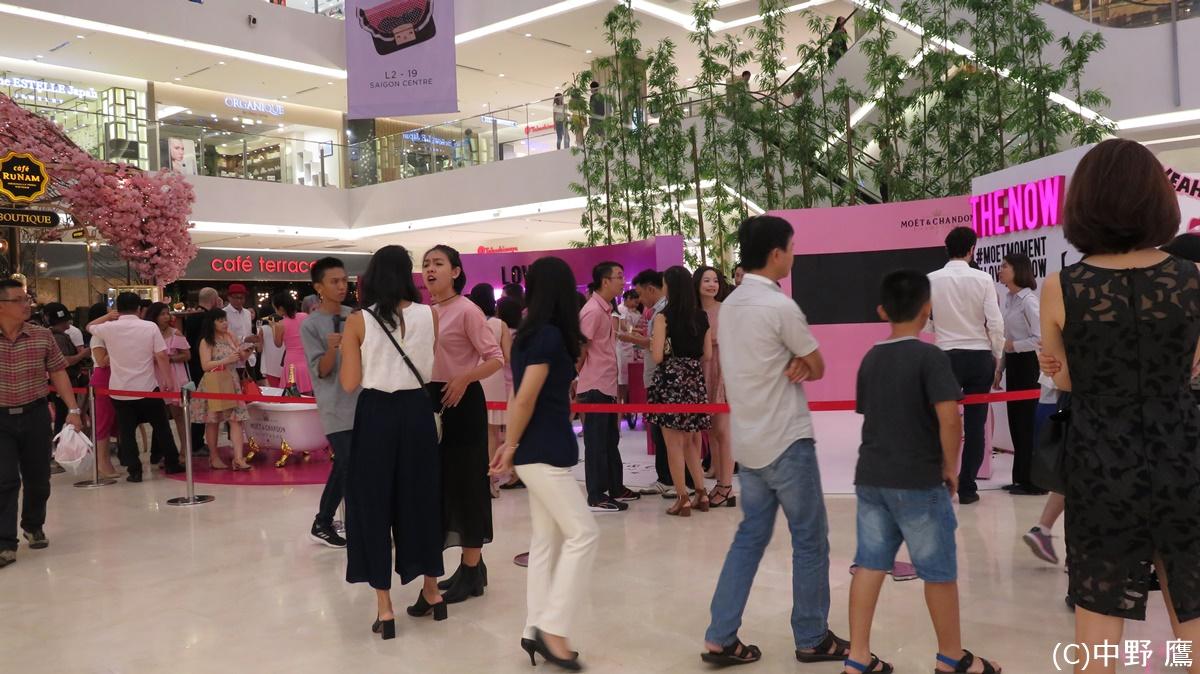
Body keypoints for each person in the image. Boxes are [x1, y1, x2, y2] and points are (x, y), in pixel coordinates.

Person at [1038, 139, 1200, 673]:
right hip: (1182, 457)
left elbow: (1065, 380)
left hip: (1101, 464)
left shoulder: (1062, 287)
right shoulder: (1193, 280)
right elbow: (1192, 370)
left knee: (1098, 628)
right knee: (1194, 611)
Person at [702, 215, 849, 667]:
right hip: (787, 440)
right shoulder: (780, 306)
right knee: (810, 540)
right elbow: (817, 364)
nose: (794, 255)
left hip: (749, 443)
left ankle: (720, 635)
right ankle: (812, 636)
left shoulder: (730, 307)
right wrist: (802, 362)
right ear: (775, 254)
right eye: (792, 248)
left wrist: (797, 360)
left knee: (749, 538)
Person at [842, 270, 1001, 674]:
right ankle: (951, 656)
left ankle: (857, 657)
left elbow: (869, 413)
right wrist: (950, 467)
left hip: (871, 477)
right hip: (918, 480)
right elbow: (950, 419)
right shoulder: (931, 357)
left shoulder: (871, 358)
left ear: (882, 311)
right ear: (928, 309)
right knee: (938, 571)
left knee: (870, 564)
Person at [490, 256, 598, 671]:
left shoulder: (530, 336)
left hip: (539, 449)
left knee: (546, 541)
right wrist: (511, 446)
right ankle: (553, 628)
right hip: (542, 451)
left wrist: (511, 444)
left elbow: (521, 395)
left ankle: (535, 626)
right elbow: (525, 397)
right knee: (584, 533)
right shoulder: (548, 336)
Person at [340, 245, 446, 637]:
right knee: (420, 498)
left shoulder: (358, 320)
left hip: (377, 414)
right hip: (417, 411)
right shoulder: (430, 314)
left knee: (373, 504)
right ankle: (432, 591)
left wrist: (347, 350)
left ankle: (385, 609)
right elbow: (427, 363)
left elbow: (350, 382)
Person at [423, 245, 504, 604]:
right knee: (446, 485)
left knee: (468, 484)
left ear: (455, 271)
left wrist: (465, 378)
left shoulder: (468, 310)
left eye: (438, 263)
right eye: (426, 264)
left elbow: (496, 358)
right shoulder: (427, 312)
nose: (430, 269)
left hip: (463, 401)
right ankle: (473, 566)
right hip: (435, 400)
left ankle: (471, 571)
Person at [0, 280, 82, 568]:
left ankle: (33, 525)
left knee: (38, 478)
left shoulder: (41, 335)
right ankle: (5, 542)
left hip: (35, 414)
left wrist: (73, 409)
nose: (27, 305)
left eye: (27, 299)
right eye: (19, 300)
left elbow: (58, 372)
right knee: (5, 480)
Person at [927, 227, 1005, 505]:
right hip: (978, 357)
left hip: (944, 356)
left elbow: (923, 319)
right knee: (976, 426)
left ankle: (940, 483)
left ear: (947, 249)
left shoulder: (931, 279)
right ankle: (968, 487)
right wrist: (996, 355)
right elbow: (995, 322)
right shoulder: (983, 278)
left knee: (941, 423)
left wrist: (938, 329)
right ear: (972, 249)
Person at [87, 293, 185, 482]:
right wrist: (167, 379)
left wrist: (108, 316)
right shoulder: (150, 327)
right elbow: (161, 355)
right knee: (161, 426)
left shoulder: (109, 328)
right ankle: (172, 462)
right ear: (139, 309)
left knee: (127, 432)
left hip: (120, 389)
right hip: (147, 387)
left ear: (118, 309)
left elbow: (89, 326)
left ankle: (135, 470)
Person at [301, 257, 358, 549]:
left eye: (344, 280)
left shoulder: (356, 316)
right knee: (348, 464)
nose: (341, 286)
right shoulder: (311, 325)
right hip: (335, 405)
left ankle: (324, 522)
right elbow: (321, 371)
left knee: (349, 464)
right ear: (318, 287)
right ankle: (337, 523)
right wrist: (333, 348)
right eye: (334, 281)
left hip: (363, 402)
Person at [648, 266, 712, 517]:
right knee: (691, 441)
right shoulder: (701, 316)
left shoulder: (663, 317)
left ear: (670, 287)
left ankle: (682, 498)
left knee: (673, 443)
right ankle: (701, 493)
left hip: (671, 380)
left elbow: (656, 356)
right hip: (694, 379)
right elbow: (707, 354)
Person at [578, 261, 640, 513]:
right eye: (619, 276)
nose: (623, 281)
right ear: (605, 281)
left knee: (610, 439)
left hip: (606, 384)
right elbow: (582, 348)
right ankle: (596, 494)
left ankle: (615, 486)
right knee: (596, 443)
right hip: (594, 385)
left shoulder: (605, 309)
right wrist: (576, 377)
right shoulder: (592, 311)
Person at [995, 253, 1044, 496]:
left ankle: (1033, 481)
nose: (1000, 269)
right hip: (1014, 363)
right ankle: (1020, 477)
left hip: (1028, 365)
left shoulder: (1029, 301)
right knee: (1015, 422)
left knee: (1026, 423)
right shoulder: (1009, 299)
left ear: (1018, 270)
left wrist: (1013, 347)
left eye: (1005, 266)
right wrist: (1000, 369)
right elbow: (1006, 339)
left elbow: (1040, 339)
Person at [630, 269, 679, 497]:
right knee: (660, 432)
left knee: (663, 433)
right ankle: (667, 478)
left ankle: (668, 479)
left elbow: (658, 346)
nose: (640, 299)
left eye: (640, 294)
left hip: (659, 378)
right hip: (655, 376)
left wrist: (632, 339)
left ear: (651, 289)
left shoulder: (662, 312)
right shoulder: (656, 311)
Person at [191, 308, 254, 471]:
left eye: (225, 320)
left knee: (236, 420)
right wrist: (226, 360)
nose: (225, 323)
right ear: (211, 323)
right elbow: (205, 365)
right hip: (214, 382)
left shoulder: (230, 336)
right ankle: (214, 457)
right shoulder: (206, 341)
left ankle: (238, 458)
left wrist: (246, 352)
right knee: (213, 421)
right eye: (220, 321)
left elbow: (239, 357)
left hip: (231, 381)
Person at [693, 267, 735, 507]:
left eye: (715, 281)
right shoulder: (692, 312)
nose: (712, 285)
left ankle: (726, 486)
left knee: (722, 431)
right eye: (707, 280)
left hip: (722, 370)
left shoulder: (726, 309)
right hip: (700, 370)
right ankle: (720, 483)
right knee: (710, 432)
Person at [468, 283, 514, 499]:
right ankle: (491, 481)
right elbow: (508, 357)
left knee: (474, 433)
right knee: (493, 434)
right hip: (494, 378)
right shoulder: (500, 324)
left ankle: (477, 480)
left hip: (472, 377)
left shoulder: (469, 319)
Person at [144, 303, 190, 452]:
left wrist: (167, 359)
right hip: (155, 375)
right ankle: (164, 451)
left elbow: (186, 355)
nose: (166, 317)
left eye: (167, 313)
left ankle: (185, 449)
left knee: (179, 415)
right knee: (159, 416)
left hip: (174, 375)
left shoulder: (175, 333)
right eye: (162, 314)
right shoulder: (149, 334)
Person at [184, 287, 222, 456]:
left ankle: (195, 442)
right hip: (206, 366)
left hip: (191, 365)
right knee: (204, 406)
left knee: (197, 404)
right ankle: (197, 443)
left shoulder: (189, 317)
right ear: (214, 300)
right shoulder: (208, 318)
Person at [43, 303, 90, 436]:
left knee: (62, 414)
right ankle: (61, 442)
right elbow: (64, 362)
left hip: (66, 381)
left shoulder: (56, 336)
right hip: (65, 381)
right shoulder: (58, 338)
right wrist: (82, 355)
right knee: (63, 415)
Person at [84, 303, 119, 478]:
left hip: (114, 377)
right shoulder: (98, 336)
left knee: (111, 419)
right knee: (103, 421)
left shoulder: (109, 334)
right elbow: (102, 361)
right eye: (108, 313)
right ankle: (102, 462)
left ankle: (106, 461)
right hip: (103, 378)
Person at [495, 297, 525, 491]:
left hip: (506, 386)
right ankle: (517, 470)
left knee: (508, 432)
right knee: (516, 430)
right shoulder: (522, 334)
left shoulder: (504, 332)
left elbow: (505, 358)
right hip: (518, 383)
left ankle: (514, 472)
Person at [270, 292, 312, 394]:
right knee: (309, 396)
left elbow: (278, 344)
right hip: (307, 361)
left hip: (291, 363)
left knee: (292, 396)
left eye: (275, 308)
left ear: (280, 308)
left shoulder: (280, 325)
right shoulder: (305, 316)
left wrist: (273, 328)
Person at [223, 283, 260, 374]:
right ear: (229, 297)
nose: (239, 301)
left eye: (242, 298)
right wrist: (245, 339)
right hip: (233, 359)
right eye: (236, 298)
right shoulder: (223, 313)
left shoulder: (247, 313)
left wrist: (254, 340)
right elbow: (224, 336)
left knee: (251, 383)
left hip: (249, 358)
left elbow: (248, 332)